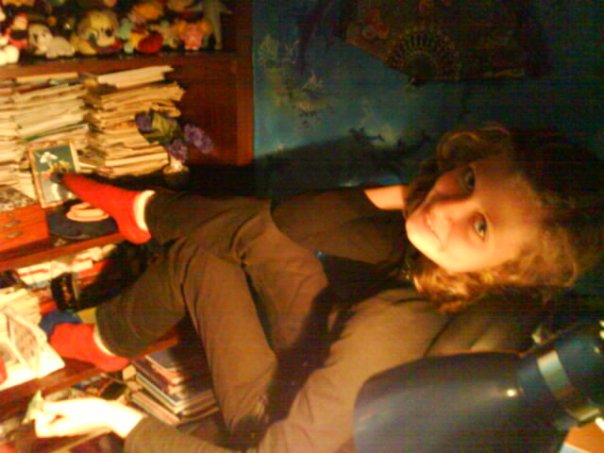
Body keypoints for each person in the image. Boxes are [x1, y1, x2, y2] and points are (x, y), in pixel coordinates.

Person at [35, 125, 603, 452]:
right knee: (244, 233)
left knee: (196, 255)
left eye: (481, 226)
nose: (447, 207)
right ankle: (142, 223)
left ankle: (116, 311)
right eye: (469, 179)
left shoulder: (397, 325)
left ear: (513, 270)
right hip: (321, 358)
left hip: (275, 422)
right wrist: (417, 194)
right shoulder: (456, 270)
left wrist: (117, 421)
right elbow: (294, 223)